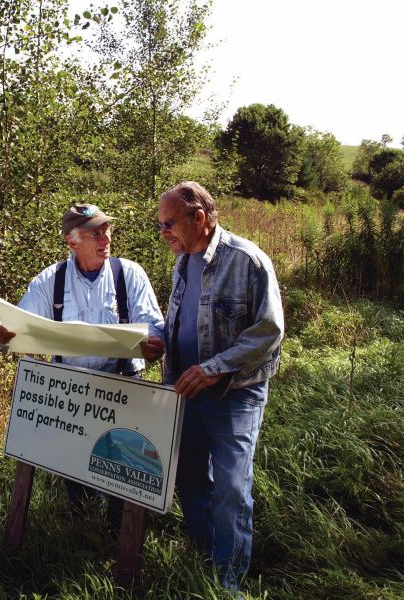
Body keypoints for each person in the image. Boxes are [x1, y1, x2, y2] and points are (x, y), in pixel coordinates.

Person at [144, 181, 284, 594]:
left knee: (230, 487)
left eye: (167, 224)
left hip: (234, 395)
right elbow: (184, 321)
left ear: (198, 219)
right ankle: (206, 552)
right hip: (186, 390)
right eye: (160, 225)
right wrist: (159, 342)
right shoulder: (183, 259)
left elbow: (268, 333)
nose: (163, 232)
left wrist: (214, 368)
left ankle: (229, 581)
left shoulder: (248, 261)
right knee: (188, 476)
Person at [0, 203, 165, 529]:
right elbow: (19, 325)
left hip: (122, 386)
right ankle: (82, 538)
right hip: (72, 393)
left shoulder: (129, 274)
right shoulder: (50, 280)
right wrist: (5, 333)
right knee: (77, 472)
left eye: (107, 230)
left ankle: (119, 538)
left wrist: (154, 344)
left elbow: (154, 326)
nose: (106, 238)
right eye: (95, 233)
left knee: (124, 475)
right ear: (72, 242)